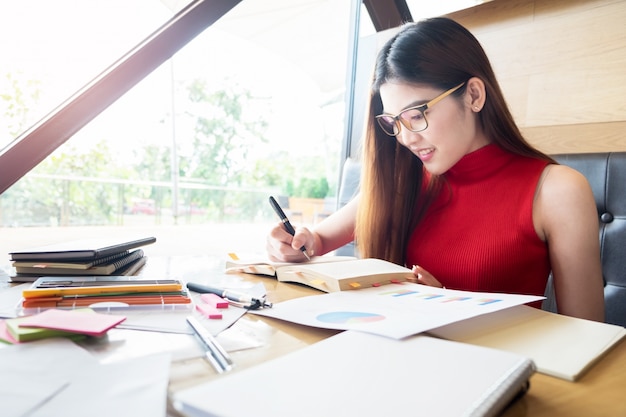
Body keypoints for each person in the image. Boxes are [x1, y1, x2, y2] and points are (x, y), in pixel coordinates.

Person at [266, 17, 604, 322]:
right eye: (395, 121)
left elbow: (588, 335)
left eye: (417, 115)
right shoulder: (405, 179)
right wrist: (294, 242)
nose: (407, 138)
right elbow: (317, 240)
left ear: (473, 94)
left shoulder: (557, 190)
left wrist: (451, 312)